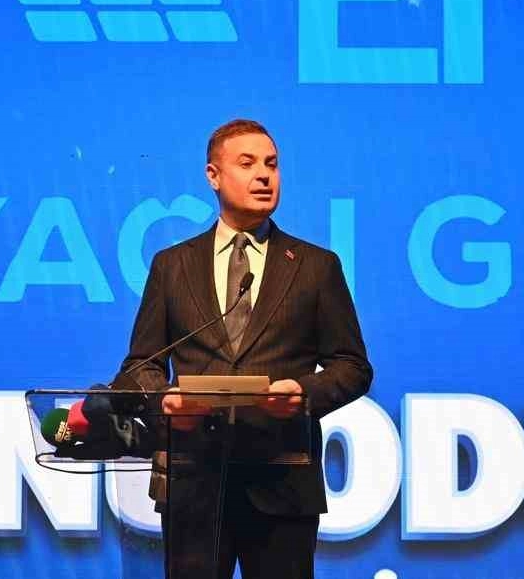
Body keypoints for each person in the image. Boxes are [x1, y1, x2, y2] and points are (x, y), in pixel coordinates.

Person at [112, 119, 372, 578]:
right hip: (194, 480)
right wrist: (165, 399)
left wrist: (303, 394)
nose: (264, 175)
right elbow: (140, 366)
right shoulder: (172, 266)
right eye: (247, 163)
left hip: (282, 480)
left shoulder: (316, 266)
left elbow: (352, 366)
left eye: (272, 164)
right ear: (213, 176)